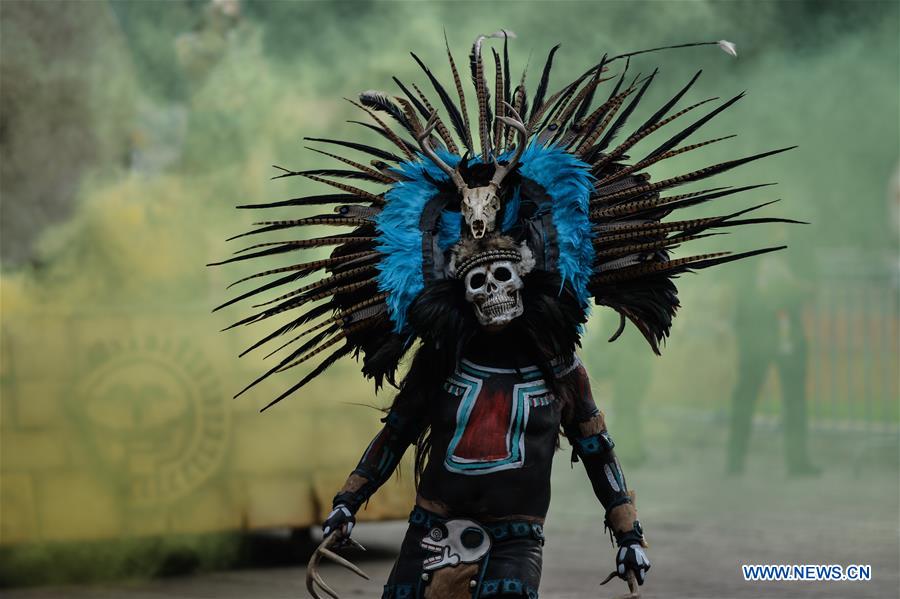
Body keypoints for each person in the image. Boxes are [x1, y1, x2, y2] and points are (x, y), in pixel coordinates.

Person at [214, 31, 796, 598]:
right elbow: (394, 433)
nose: (492, 292)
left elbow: (598, 449)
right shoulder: (443, 359)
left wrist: (628, 533)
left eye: (500, 276)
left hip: (516, 542)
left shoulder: (560, 368)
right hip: (430, 533)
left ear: (527, 274)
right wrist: (346, 503)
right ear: (457, 290)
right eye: (477, 281)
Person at [726, 226, 819, 476]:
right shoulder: (750, 249)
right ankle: (735, 462)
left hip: (787, 330)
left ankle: (798, 462)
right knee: (746, 397)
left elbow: (810, 286)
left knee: (795, 399)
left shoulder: (796, 250)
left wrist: (798, 289)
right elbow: (744, 294)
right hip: (757, 332)